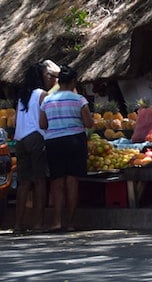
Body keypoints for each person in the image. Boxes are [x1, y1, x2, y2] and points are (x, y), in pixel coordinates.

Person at [39, 64, 93, 232]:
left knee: (57, 183)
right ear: (73, 81)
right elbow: (88, 123)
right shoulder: (79, 100)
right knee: (72, 182)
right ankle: (70, 222)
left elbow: (42, 124)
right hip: (75, 141)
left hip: (54, 142)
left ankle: (56, 221)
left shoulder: (47, 99)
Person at [12, 59, 59, 232]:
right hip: (36, 137)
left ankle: (18, 224)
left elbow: (15, 120)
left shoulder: (22, 95)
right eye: (48, 75)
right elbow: (45, 119)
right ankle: (38, 223)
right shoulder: (42, 94)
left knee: (24, 183)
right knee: (40, 182)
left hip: (20, 139)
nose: (50, 79)